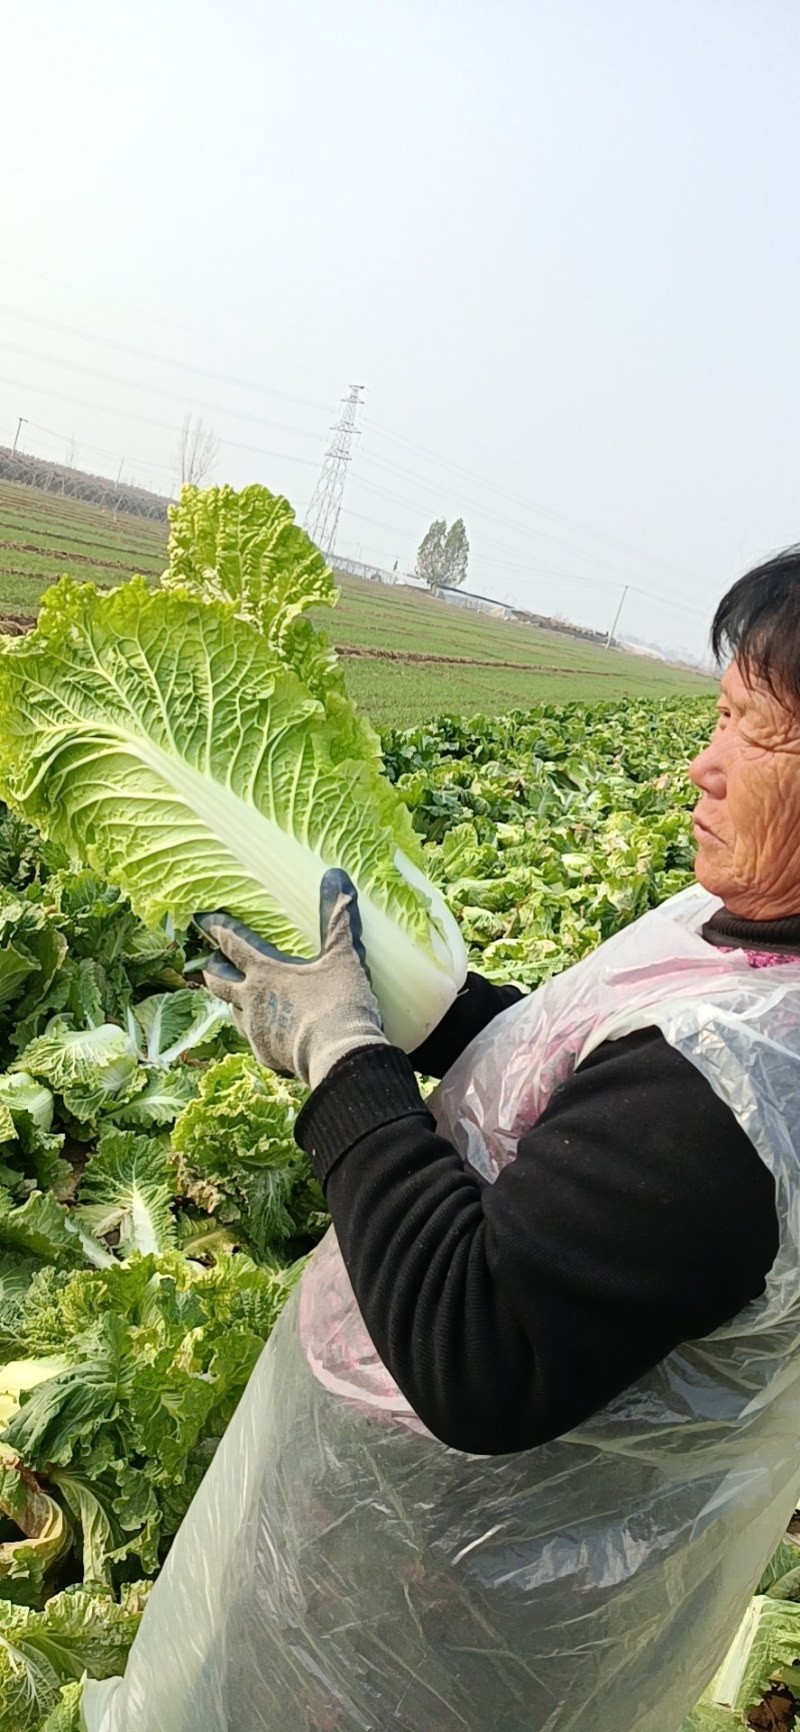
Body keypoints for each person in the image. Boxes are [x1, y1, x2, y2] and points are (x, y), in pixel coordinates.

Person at [84, 550, 800, 1732]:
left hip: (456, 1612)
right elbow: (586, 1076)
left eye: (749, 728)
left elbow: (481, 1347)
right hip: (432, 1567)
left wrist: (346, 1071)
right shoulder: (753, 928)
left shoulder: (739, 1086)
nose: (701, 762)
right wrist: (422, 1019)